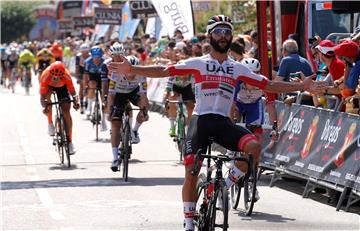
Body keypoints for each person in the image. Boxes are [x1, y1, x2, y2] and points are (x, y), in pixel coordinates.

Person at [107, 15, 326, 231]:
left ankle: (224, 186)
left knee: (254, 148)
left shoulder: (237, 68)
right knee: (192, 171)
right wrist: (133, 70)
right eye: (218, 31)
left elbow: (267, 85)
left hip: (223, 123)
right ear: (210, 35)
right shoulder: (199, 63)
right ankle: (190, 222)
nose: (223, 35)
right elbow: (165, 71)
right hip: (200, 121)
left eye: (227, 32)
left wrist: (301, 87)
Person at [103, 43, 149, 171]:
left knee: (145, 107)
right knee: (115, 124)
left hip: (133, 92)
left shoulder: (141, 75)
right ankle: (114, 157)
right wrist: (109, 111)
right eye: (129, 71)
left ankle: (134, 130)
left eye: (134, 71)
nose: (131, 74)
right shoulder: (115, 73)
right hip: (118, 94)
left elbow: (144, 95)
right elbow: (111, 95)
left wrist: (144, 111)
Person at [39, 61, 80, 154]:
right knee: (47, 100)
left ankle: (70, 141)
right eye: (54, 77)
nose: (56, 79)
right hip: (48, 87)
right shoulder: (45, 75)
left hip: (62, 88)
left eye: (58, 77)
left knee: (66, 110)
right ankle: (50, 123)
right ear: (50, 74)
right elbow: (42, 96)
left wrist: (76, 101)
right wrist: (45, 106)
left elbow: (73, 92)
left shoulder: (66, 75)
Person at [83, 46, 107, 131]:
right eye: (95, 57)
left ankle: (104, 121)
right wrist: (85, 87)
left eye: (99, 57)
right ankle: (89, 107)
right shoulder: (87, 62)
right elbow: (85, 76)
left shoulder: (105, 62)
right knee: (92, 84)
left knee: (104, 99)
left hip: (102, 78)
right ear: (91, 56)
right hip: (92, 77)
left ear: (101, 56)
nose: (97, 60)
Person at [75, 43, 91, 114]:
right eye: (83, 52)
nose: (84, 54)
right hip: (81, 72)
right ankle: (81, 105)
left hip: (89, 72)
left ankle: (87, 100)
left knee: (89, 87)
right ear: (81, 51)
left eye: (86, 52)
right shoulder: (78, 56)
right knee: (81, 87)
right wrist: (77, 77)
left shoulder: (91, 56)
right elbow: (77, 68)